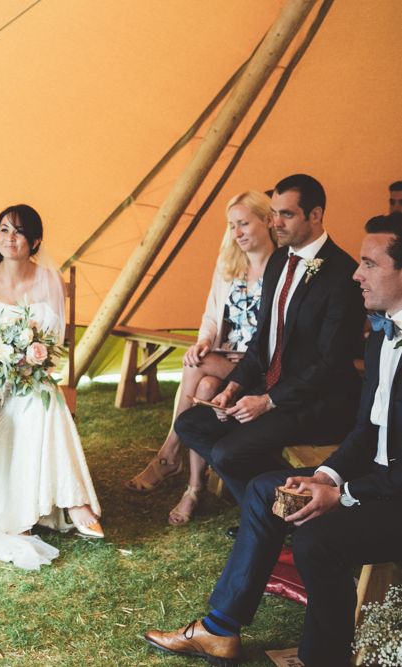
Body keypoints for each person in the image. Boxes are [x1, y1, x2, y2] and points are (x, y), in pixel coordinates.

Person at [144, 212, 402, 667]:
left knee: (315, 538)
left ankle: (324, 658)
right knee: (267, 488)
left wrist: (340, 493)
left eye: (370, 264)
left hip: (392, 492)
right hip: (374, 475)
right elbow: (366, 431)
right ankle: (220, 629)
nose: (357, 274)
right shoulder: (383, 337)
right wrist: (325, 474)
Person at [174, 174, 365, 507]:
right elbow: (263, 342)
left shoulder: (342, 274)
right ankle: (269, 507)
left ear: (315, 215)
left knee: (227, 452)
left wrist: (267, 401)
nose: (276, 222)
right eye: (274, 213)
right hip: (270, 389)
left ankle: (270, 511)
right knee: (189, 424)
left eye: (287, 214)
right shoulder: (278, 261)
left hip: (317, 403)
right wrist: (233, 387)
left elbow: (331, 364)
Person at [0, 204, 102, 570]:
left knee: (43, 398)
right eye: (4, 230)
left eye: (19, 232)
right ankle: (75, 503)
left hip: (33, 374)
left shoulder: (49, 280)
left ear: (35, 240)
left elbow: (53, 343)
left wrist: (28, 362)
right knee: (45, 401)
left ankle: (68, 502)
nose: (10, 238)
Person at [125, 191, 276, 525]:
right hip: (222, 359)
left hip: (256, 369)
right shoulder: (229, 266)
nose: (237, 232)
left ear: (268, 220)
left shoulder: (282, 272)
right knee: (205, 385)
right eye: (232, 225)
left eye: (244, 223)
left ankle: (169, 454)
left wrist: (203, 354)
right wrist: (204, 341)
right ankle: (194, 489)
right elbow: (210, 317)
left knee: (196, 365)